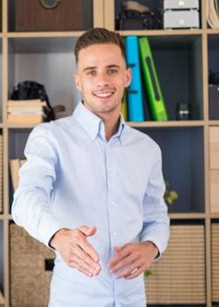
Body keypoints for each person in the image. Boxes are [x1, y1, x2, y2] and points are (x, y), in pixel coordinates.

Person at [11, 28, 170, 307]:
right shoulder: (50, 138)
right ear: (78, 81)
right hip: (74, 297)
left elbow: (156, 215)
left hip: (131, 297)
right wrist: (59, 237)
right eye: (91, 72)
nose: (102, 81)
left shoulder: (147, 149)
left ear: (126, 76)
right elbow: (25, 199)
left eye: (111, 70)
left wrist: (151, 247)